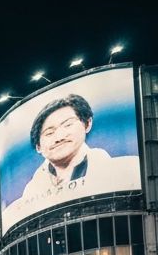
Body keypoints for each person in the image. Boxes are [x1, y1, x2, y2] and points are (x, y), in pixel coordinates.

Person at [10, 92, 140, 222]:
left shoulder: (128, 170)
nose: (59, 137)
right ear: (38, 147)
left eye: (67, 125)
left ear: (87, 124)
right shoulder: (29, 197)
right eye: (49, 133)